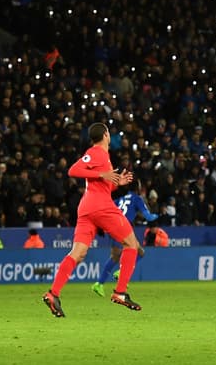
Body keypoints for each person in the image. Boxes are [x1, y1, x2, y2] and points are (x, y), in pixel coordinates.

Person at [43, 122, 144, 317]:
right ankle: (120, 292)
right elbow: (73, 170)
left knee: (78, 253)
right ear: (106, 134)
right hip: (101, 206)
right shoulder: (97, 152)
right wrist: (102, 173)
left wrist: (117, 183)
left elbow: (101, 185)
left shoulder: (103, 157)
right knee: (131, 244)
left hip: (87, 208)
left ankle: (53, 293)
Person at [91, 181, 158, 297]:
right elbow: (148, 216)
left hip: (112, 225)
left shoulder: (120, 199)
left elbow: (108, 209)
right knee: (138, 252)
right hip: (123, 227)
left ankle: (101, 283)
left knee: (118, 255)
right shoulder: (137, 198)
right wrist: (157, 216)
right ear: (138, 188)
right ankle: (116, 276)